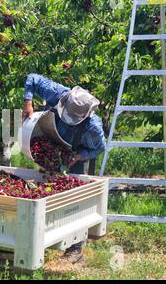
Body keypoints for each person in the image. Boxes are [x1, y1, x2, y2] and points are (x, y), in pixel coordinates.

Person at [22, 73, 106, 263]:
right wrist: (28, 102)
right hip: (51, 146)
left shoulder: (93, 128)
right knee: (46, 192)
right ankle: (48, 236)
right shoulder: (59, 93)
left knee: (76, 199)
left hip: (73, 156)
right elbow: (32, 78)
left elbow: (100, 148)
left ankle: (75, 249)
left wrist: (77, 157)